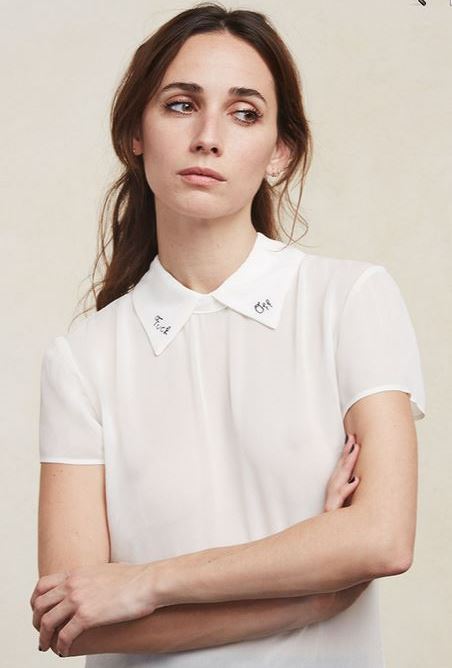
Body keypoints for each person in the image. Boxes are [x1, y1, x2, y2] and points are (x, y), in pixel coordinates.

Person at [30, 3, 426, 666]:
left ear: (280, 151)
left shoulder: (350, 300)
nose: (208, 137)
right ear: (134, 132)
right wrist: (306, 600)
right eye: (181, 105)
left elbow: (382, 537)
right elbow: (78, 622)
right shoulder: (83, 361)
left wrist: (147, 582)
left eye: (244, 113)